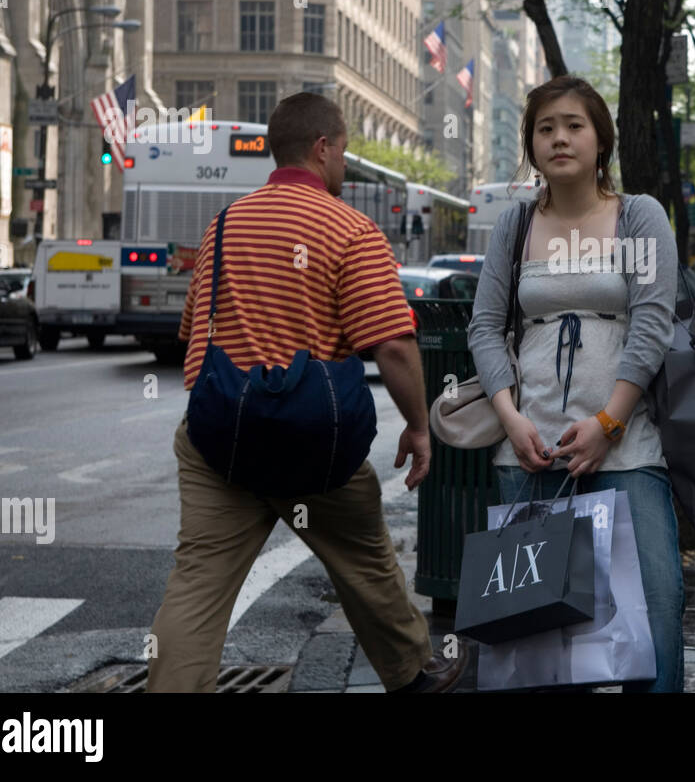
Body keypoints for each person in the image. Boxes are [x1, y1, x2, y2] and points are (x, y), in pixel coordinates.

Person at [148, 93, 464, 693]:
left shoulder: (226, 224)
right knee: (365, 558)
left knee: (198, 586)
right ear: (322, 148)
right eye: (343, 153)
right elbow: (392, 344)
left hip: (223, 440)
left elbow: (193, 333)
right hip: (313, 446)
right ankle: (413, 675)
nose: (344, 166)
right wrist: (419, 428)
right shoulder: (350, 228)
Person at [467, 75, 683, 692]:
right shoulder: (513, 227)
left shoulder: (638, 216)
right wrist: (511, 421)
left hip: (627, 447)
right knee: (537, 631)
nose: (560, 138)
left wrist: (608, 424)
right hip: (531, 450)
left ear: (600, 139)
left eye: (574, 125)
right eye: (546, 128)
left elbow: (652, 323)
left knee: (655, 613)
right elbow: (485, 329)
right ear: (532, 145)